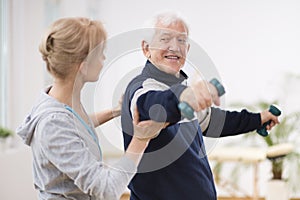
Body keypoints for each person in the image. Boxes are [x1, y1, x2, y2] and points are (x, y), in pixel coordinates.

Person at [121, 12, 280, 200]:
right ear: (146, 48)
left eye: (181, 41)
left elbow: (213, 120)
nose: (174, 47)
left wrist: (257, 119)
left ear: (187, 48)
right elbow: (155, 105)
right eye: (165, 39)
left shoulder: (181, 89)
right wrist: (183, 97)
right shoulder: (141, 88)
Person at [16, 17, 167, 200]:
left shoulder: (59, 101)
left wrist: (116, 110)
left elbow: (76, 125)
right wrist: (141, 139)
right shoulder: (53, 123)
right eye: (100, 53)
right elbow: (107, 189)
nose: (104, 59)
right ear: (83, 66)